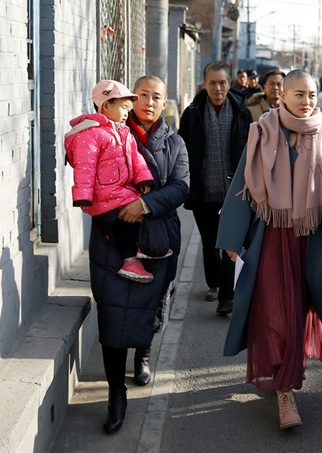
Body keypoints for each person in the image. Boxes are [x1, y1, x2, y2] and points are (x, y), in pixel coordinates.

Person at [216, 69, 322, 430]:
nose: (306, 101)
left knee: (303, 311)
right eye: (299, 94)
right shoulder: (262, 131)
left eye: (311, 95)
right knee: (278, 315)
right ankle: (285, 393)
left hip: (313, 238)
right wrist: (233, 239)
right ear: (282, 96)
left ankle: (285, 376)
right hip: (273, 237)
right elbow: (244, 183)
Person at [87, 74, 190, 433]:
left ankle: (142, 355)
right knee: (113, 316)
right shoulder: (105, 130)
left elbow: (181, 187)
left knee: (148, 310)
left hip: (155, 239)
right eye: (141, 94)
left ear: (165, 104)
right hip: (111, 237)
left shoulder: (175, 143)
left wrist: (144, 204)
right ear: (129, 99)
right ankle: (116, 395)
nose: (148, 101)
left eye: (156, 96)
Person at [64, 80, 164, 285]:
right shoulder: (90, 134)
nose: (128, 113)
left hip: (120, 190)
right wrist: (83, 195)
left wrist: (143, 178)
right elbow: (85, 167)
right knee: (124, 225)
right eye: (124, 107)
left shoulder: (122, 132)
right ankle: (130, 261)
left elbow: (136, 157)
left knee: (144, 208)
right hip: (104, 195)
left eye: (129, 108)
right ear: (106, 105)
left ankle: (146, 246)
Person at [178, 61, 253, 314]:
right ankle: (214, 283)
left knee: (232, 244)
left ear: (229, 84)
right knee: (210, 242)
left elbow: (250, 150)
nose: (217, 88)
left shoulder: (242, 111)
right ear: (204, 84)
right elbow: (184, 150)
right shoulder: (193, 111)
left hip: (235, 191)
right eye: (212, 83)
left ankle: (227, 297)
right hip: (203, 190)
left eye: (222, 82)